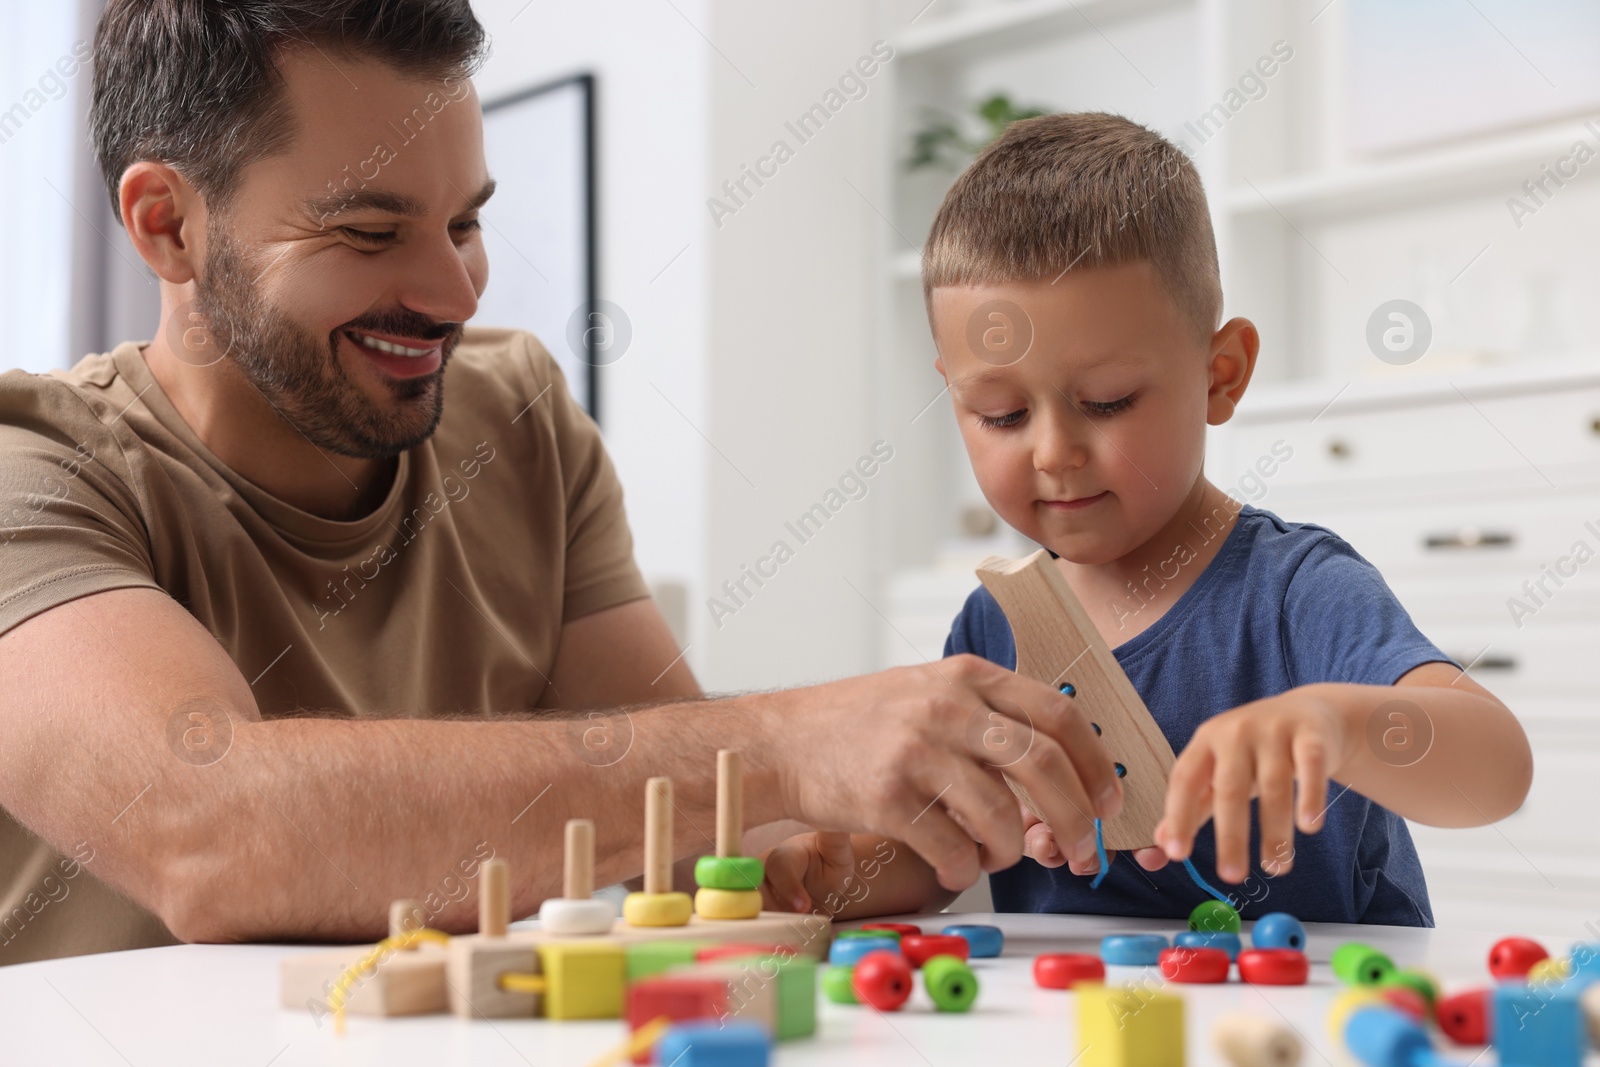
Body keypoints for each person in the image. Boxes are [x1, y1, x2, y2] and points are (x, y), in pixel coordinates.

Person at [0, 3, 1122, 965]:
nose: (452, 292)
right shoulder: (34, 470)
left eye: (466, 221)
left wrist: (919, 806)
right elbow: (207, 830)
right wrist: (785, 740)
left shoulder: (516, 416)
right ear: (167, 224)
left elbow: (711, 830)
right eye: (368, 229)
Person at [760, 112, 1532, 926]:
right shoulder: (992, 626)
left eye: (1107, 402)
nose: (1054, 451)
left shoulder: (1295, 590)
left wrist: (1336, 725)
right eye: (1000, 413)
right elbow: (941, 852)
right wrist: (835, 868)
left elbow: (1497, 764)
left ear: (1219, 374)